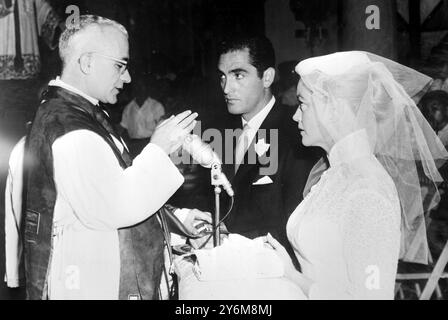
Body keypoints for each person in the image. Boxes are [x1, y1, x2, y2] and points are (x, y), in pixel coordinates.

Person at [20, 15, 211, 300]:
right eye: (119, 65)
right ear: (86, 63)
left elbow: (111, 186)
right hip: (90, 282)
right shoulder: (71, 130)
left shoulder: (80, 114)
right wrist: (158, 149)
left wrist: (178, 221)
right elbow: (116, 206)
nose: (128, 77)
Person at [264, 51, 448, 299]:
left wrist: (291, 276)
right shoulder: (335, 175)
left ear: (335, 106)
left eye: (303, 104)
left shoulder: (367, 188)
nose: (296, 115)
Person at [216, 35, 318, 256]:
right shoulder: (222, 133)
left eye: (238, 75)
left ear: (267, 77)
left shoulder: (297, 135)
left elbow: (295, 227)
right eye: (222, 77)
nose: (226, 88)